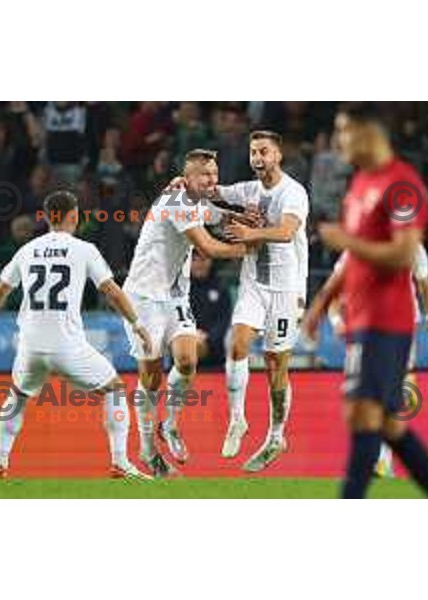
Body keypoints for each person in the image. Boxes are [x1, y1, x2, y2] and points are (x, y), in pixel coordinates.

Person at [303, 103, 428, 499]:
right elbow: (351, 260)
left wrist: (345, 240)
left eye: (344, 131)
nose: (339, 142)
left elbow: (405, 254)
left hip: (388, 320)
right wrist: (321, 303)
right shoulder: (359, 186)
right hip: (360, 319)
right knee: (388, 425)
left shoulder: (402, 184)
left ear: (370, 132)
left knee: (363, 415)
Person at [0, 189, 153, 480]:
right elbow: (110, 290)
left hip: (30, 345)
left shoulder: (27, 250)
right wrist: (137, 323)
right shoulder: (84, 249)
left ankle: (0, 462)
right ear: (75, 217)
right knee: (116, 389)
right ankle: (120, 462)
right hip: (67, 345)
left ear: (46, 218)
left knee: (17, 396)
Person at [122, 149, 246, 477]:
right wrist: (250, 247)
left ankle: (171, 425)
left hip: (175, 296)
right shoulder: (176, 202)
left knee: (188, 362)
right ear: (188, 178)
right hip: (144, 297)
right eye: (205, 175)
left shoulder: (195, 202)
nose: (212, 180)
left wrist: (247, 217)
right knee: (150, 376)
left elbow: (219, 215)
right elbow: (208, 247)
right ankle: (149, 451)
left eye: (215, 174)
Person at [217, 130, 309, 472]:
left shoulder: (293, 192)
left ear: (278, 155)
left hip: (286, 292)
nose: (258, 157)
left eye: (264, 151)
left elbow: (285, 232)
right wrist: (186, 182)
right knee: (237, 345)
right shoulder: (247, 190)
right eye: (254, 152)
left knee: (276, 367)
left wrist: (249, 233)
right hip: (254, 284)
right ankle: (238, 419)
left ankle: (276, 436)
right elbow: (213, 192)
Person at [326, 243, 428, 478]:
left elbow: (425, 285)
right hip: (365, 328)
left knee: (392, 394)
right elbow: (334, 293)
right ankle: (377, 461)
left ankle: (381, 461)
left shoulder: (412, 247)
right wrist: (337, 323)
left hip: (401, 327)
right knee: (366, 398)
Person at [189, 252, 232, 367]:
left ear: (210, 261)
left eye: (203, 259)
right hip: (185, 346)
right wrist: (191, 334)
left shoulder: (221, 287)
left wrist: (207, 338)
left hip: (214, 353)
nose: (199, 264)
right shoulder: (180, 289)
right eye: (194, 260)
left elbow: (224, 319)